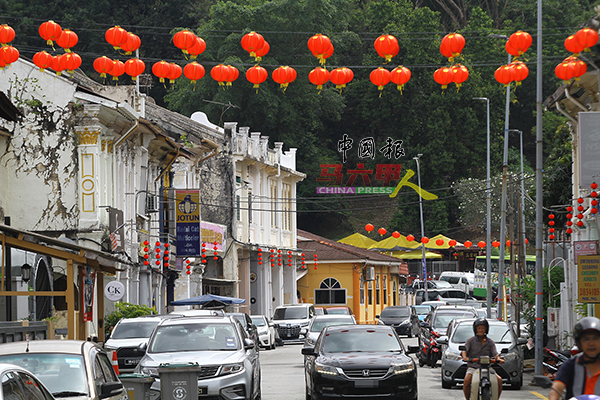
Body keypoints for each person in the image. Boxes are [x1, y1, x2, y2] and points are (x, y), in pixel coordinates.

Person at [549, 316, 600, 400]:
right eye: (586, 339)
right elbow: (556, 389)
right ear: (579, 343)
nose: (591, 343)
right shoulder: (570, 365)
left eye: (595, 338)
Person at [462, 318, 504, 400]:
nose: (481, 330)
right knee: (467, 381)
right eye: (479, 328)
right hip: (473, 367)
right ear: (475, 329)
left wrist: (499, 359)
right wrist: (465, 357)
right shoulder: (470, 341)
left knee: (499, 380)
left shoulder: (490, 342)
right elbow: (464, 351)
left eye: (483, 328)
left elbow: (495, 354)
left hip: (487, 368)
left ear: (486, 329)